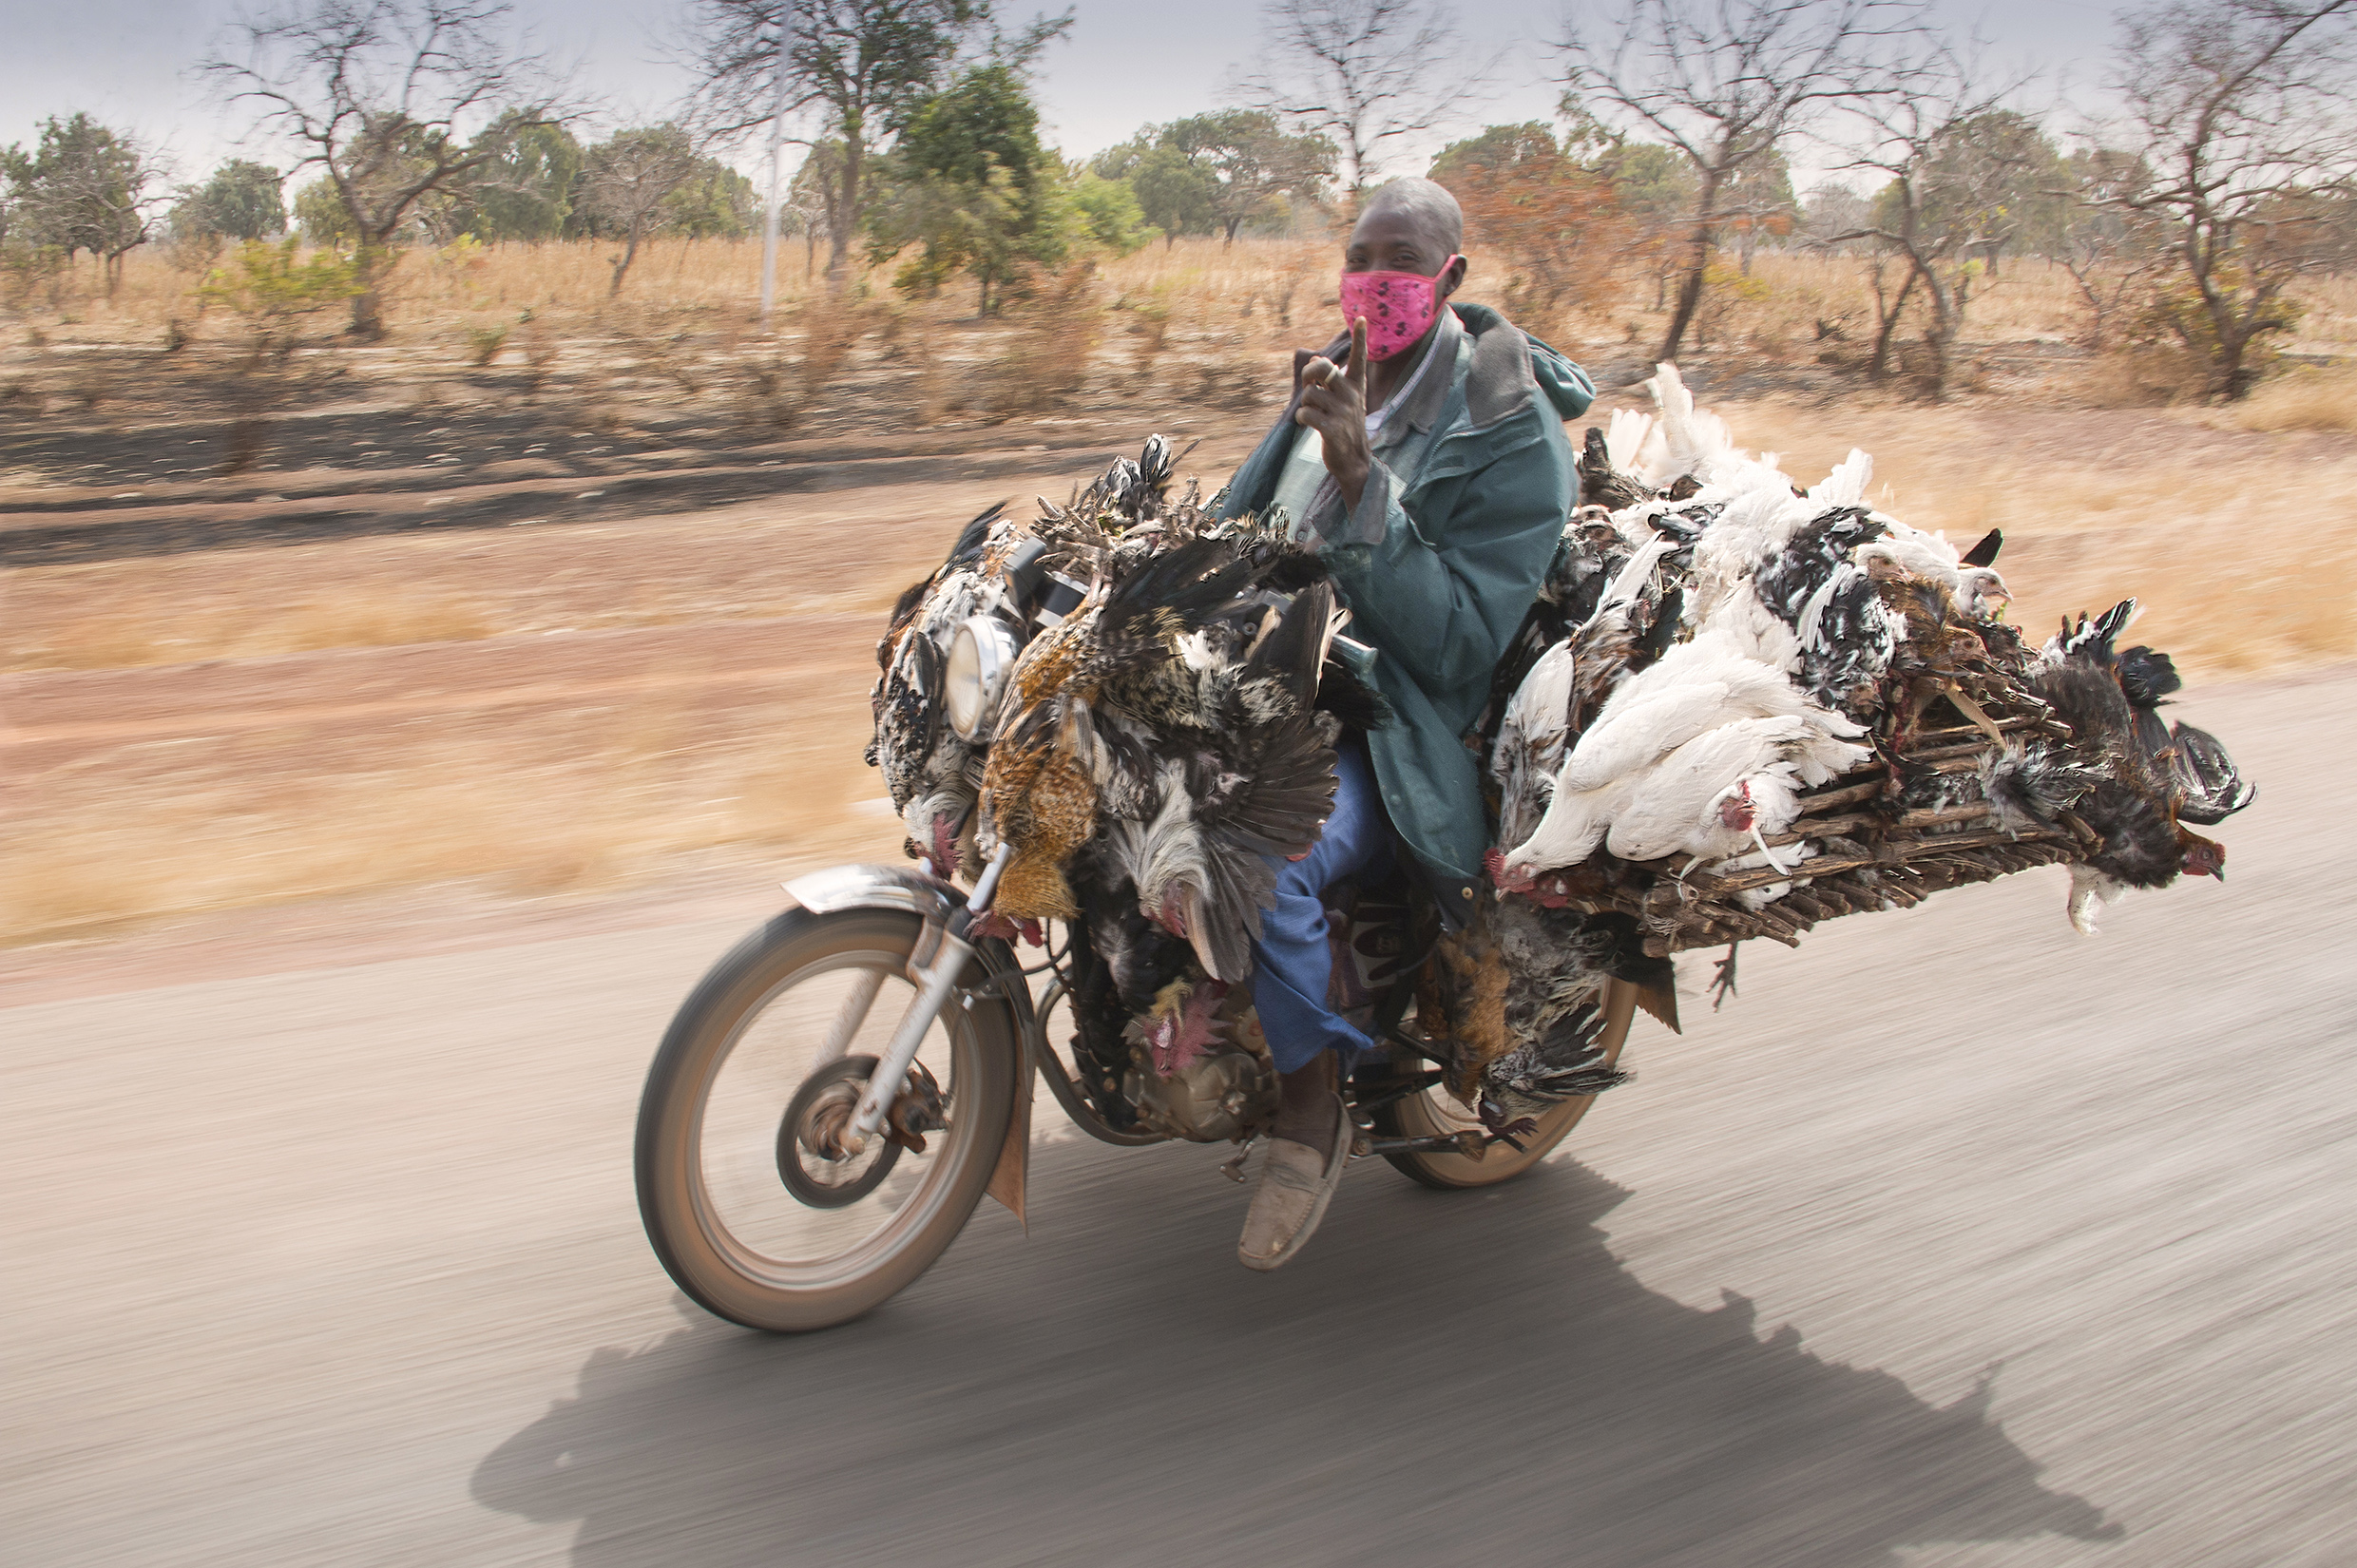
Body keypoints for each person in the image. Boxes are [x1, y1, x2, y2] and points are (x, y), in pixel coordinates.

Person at [1217, 178, 1596, 1270]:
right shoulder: (1334, 370)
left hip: (1390, 732)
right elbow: (1233, 521)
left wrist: (1357, 479)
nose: (1373, 282)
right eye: (1360, 257)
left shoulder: (1510, 435)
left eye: (1400, 262)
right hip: (1265, 684)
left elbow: (1457, 647)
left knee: (1260, 857)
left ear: (1450, 279)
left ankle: (1308, 1108)